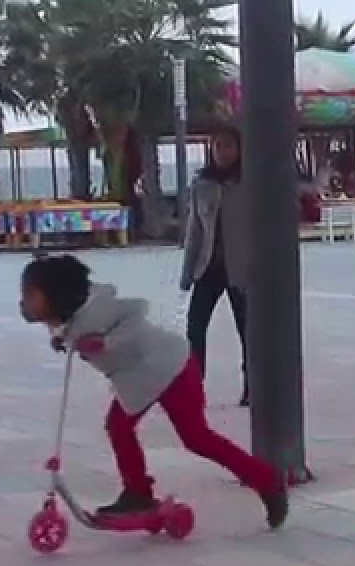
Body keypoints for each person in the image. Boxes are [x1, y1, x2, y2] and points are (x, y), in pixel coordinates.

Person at [20, 254, 288, 528]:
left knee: (195, 437)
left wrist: (107, 342)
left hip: (171, 368)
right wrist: (62, 339)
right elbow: (70, 330)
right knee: (122, 427)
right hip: (142, 378)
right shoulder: (73, 318)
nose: (25, 304)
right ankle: (138, 491)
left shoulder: (99, 308)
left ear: (55, 294)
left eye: (31, 296)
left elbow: (136, 313)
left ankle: (267, 480)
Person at [180, 131, 250, 407]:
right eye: (218, 146)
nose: (223, 151)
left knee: (248, 330)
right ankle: (193, 387)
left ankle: (252, 386)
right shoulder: (202, 184)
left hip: (241, 268)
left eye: (228, 146)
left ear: (239, 149)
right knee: (195, 327)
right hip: (208, 266)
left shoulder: (249, 181)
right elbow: (194, 231)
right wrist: (187, 272)